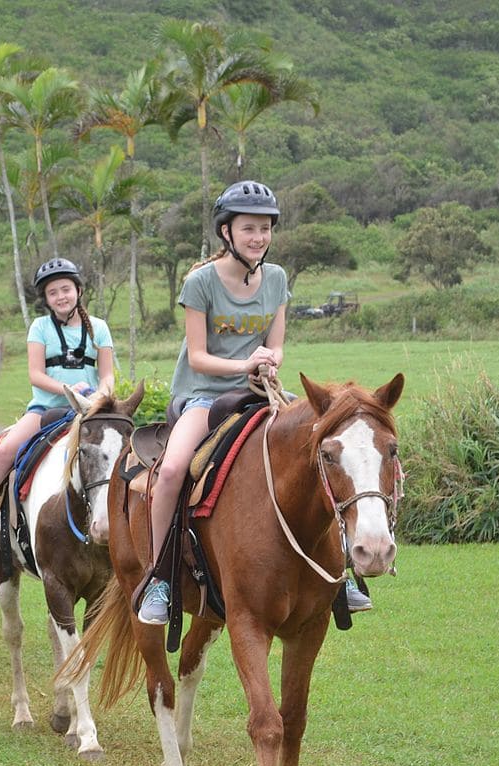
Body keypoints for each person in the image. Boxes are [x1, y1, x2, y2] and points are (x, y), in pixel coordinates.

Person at [134, 181, 371, 624]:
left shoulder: (276, 278)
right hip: (204, 395)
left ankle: (342, 575)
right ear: (227, 233)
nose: (258, 237)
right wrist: (246, 362)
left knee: (328, 451)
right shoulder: (200, 282)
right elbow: (200, 356)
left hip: (262, 393)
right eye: (248, 229)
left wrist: (266, 361)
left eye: (264, 229)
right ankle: (159, 580)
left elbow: (277, 347)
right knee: (168, 472)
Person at [0, 258, 115, 558]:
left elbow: (107, 374)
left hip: (90, 412)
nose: (61, 297)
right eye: (53, 293)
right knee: (2, 451)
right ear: (46, 299)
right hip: (45, 410)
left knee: (125, 451)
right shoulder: (39, 327)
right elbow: (36, 374)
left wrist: (101, 395)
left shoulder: (100, 328)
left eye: (65, 289)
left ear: (78, 290)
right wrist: (69, 391)